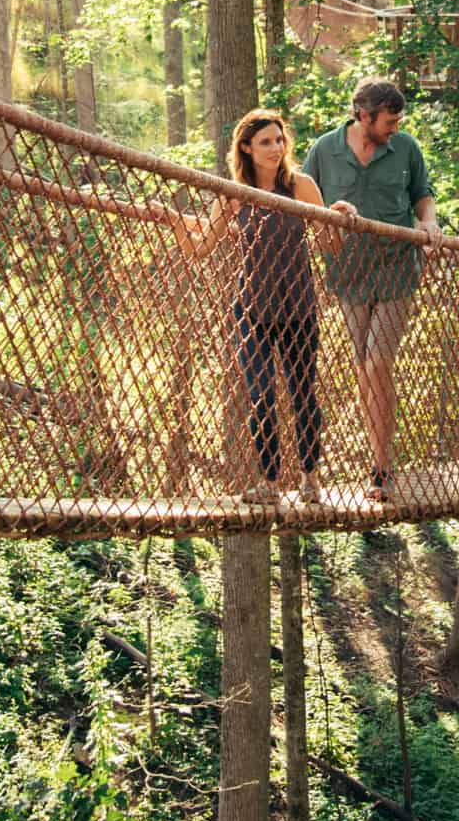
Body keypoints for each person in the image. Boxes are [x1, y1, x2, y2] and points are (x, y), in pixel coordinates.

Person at [151, 110, 333, 502]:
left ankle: (310, 477)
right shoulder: (234, 195)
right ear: (246, 148)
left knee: (303, 394)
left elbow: (330, 243)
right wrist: (173, 221)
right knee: (262, 395)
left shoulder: (299, 186)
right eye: (266, 141)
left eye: (279, 139)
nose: (275, 148)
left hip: (299, 308)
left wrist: (339, 216)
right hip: (252, 311)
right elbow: (200, 250)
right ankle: (269, 483)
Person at [301, 77, 443, 505]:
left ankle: (381, 465)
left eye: (398, 120)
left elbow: (422, 195)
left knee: (379, 360)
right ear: (363, 116)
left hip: (398, 267)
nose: (395, 127)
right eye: (389, 121)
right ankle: (378, 458)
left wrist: (428, 221)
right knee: (363, 368)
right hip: (347, 274)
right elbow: (305, 199)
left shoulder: (407, 149)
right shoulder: (324, 150)